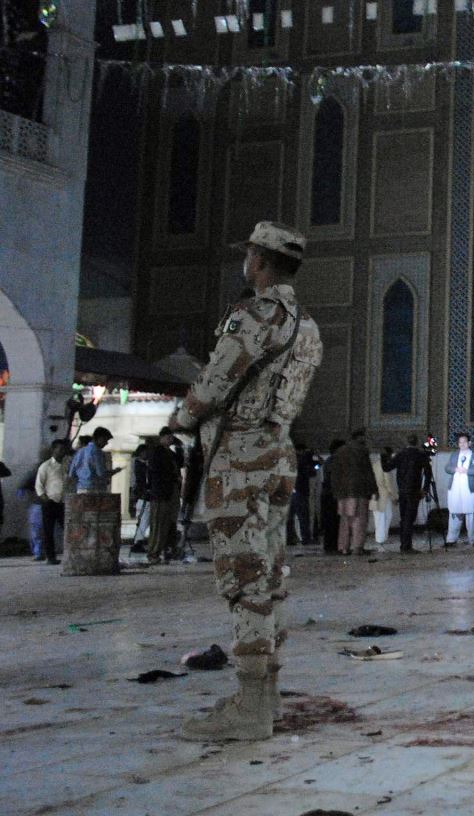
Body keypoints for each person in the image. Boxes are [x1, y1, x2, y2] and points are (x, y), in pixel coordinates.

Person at [169, 219, 323, 741]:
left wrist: (183, 417)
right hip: (280, 453)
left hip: (240, 455)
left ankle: (251, 707)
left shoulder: (255, 316)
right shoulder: (307, 325)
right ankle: (269, 694)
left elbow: (216, 381)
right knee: (271, 573)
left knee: (244, 578)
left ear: (257, 260)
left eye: (249, 255)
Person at [327, 430, 377, 555]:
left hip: (343, 493)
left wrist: (335, 490)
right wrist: (374, 489)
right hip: (360, 491)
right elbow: (368, 472)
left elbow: (334, 474)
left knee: (345, 520)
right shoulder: (362, 451)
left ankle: (343, 547)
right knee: (359, 521)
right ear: (359, 437)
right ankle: (357, 547)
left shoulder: (340, 451)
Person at [144, 429, 184, 564]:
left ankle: (166, 549)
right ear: (161, 437)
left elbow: (181, 462)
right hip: (160, 493)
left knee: (169, 523)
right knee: (158, 523)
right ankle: (153, 552)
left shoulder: (171, 454)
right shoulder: (157, 453)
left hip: (171, 492)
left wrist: (180, 447)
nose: (170, 439)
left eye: (171, 437)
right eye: (168, 437)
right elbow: (157, 472)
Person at [389, 435, 432, 553]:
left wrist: (384, 456)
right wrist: (425, 488)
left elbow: (387, 467)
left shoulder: (400, 455)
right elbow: (428, 473)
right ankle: (406, 546)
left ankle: (404, 544)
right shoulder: (420, 455)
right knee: (410, 518)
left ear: (406, 442)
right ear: (417, 442)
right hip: (414, 491)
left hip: (402, 491)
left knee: (404, 519)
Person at [33, 439, 70, 565]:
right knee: (48, 531)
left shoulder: (66, 465)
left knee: (68, 529)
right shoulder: (46, 466)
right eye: (60, 449)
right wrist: (46, 500)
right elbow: (39, 486)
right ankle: (51, 557)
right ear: (53, 450)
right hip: (50, 502)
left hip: (63, 502)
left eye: (64, 449)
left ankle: (70, 554)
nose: (62, 452)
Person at [445, 432, 474, 547]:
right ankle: (451, 540)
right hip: (455, 488)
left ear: (469, 443)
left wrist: (467, 471)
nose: (462, 444)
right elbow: (447, 468)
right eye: (460, 442)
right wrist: (455, 469)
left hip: (470, 490)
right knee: (454, 513)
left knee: (471, 514)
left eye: (464, 442)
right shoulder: (454, 455)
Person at [287, 442, 314, 546]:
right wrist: (309, 456)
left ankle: (290, 539)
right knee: (303, 517)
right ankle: (306, 538)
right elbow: (311, 472)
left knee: (289, 518)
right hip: (300, 491)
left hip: (289, 491)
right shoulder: (303, 460)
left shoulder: (287, 458)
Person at [369, 444, 397, 546]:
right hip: (384, 495)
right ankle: (381, 539)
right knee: (385, 517)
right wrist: (394, 497)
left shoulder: (375, 464)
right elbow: (388, 483)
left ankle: (381, 538)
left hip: (375, 495)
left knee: (379, 518)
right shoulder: (386, 466)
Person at [320, 441, 342, 554]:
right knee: (333, 521)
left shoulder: (329, 460)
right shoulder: (335, 461)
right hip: (332, 495)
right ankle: (332, 545)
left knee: (330, 521)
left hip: (328, 494)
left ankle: (330, 545)